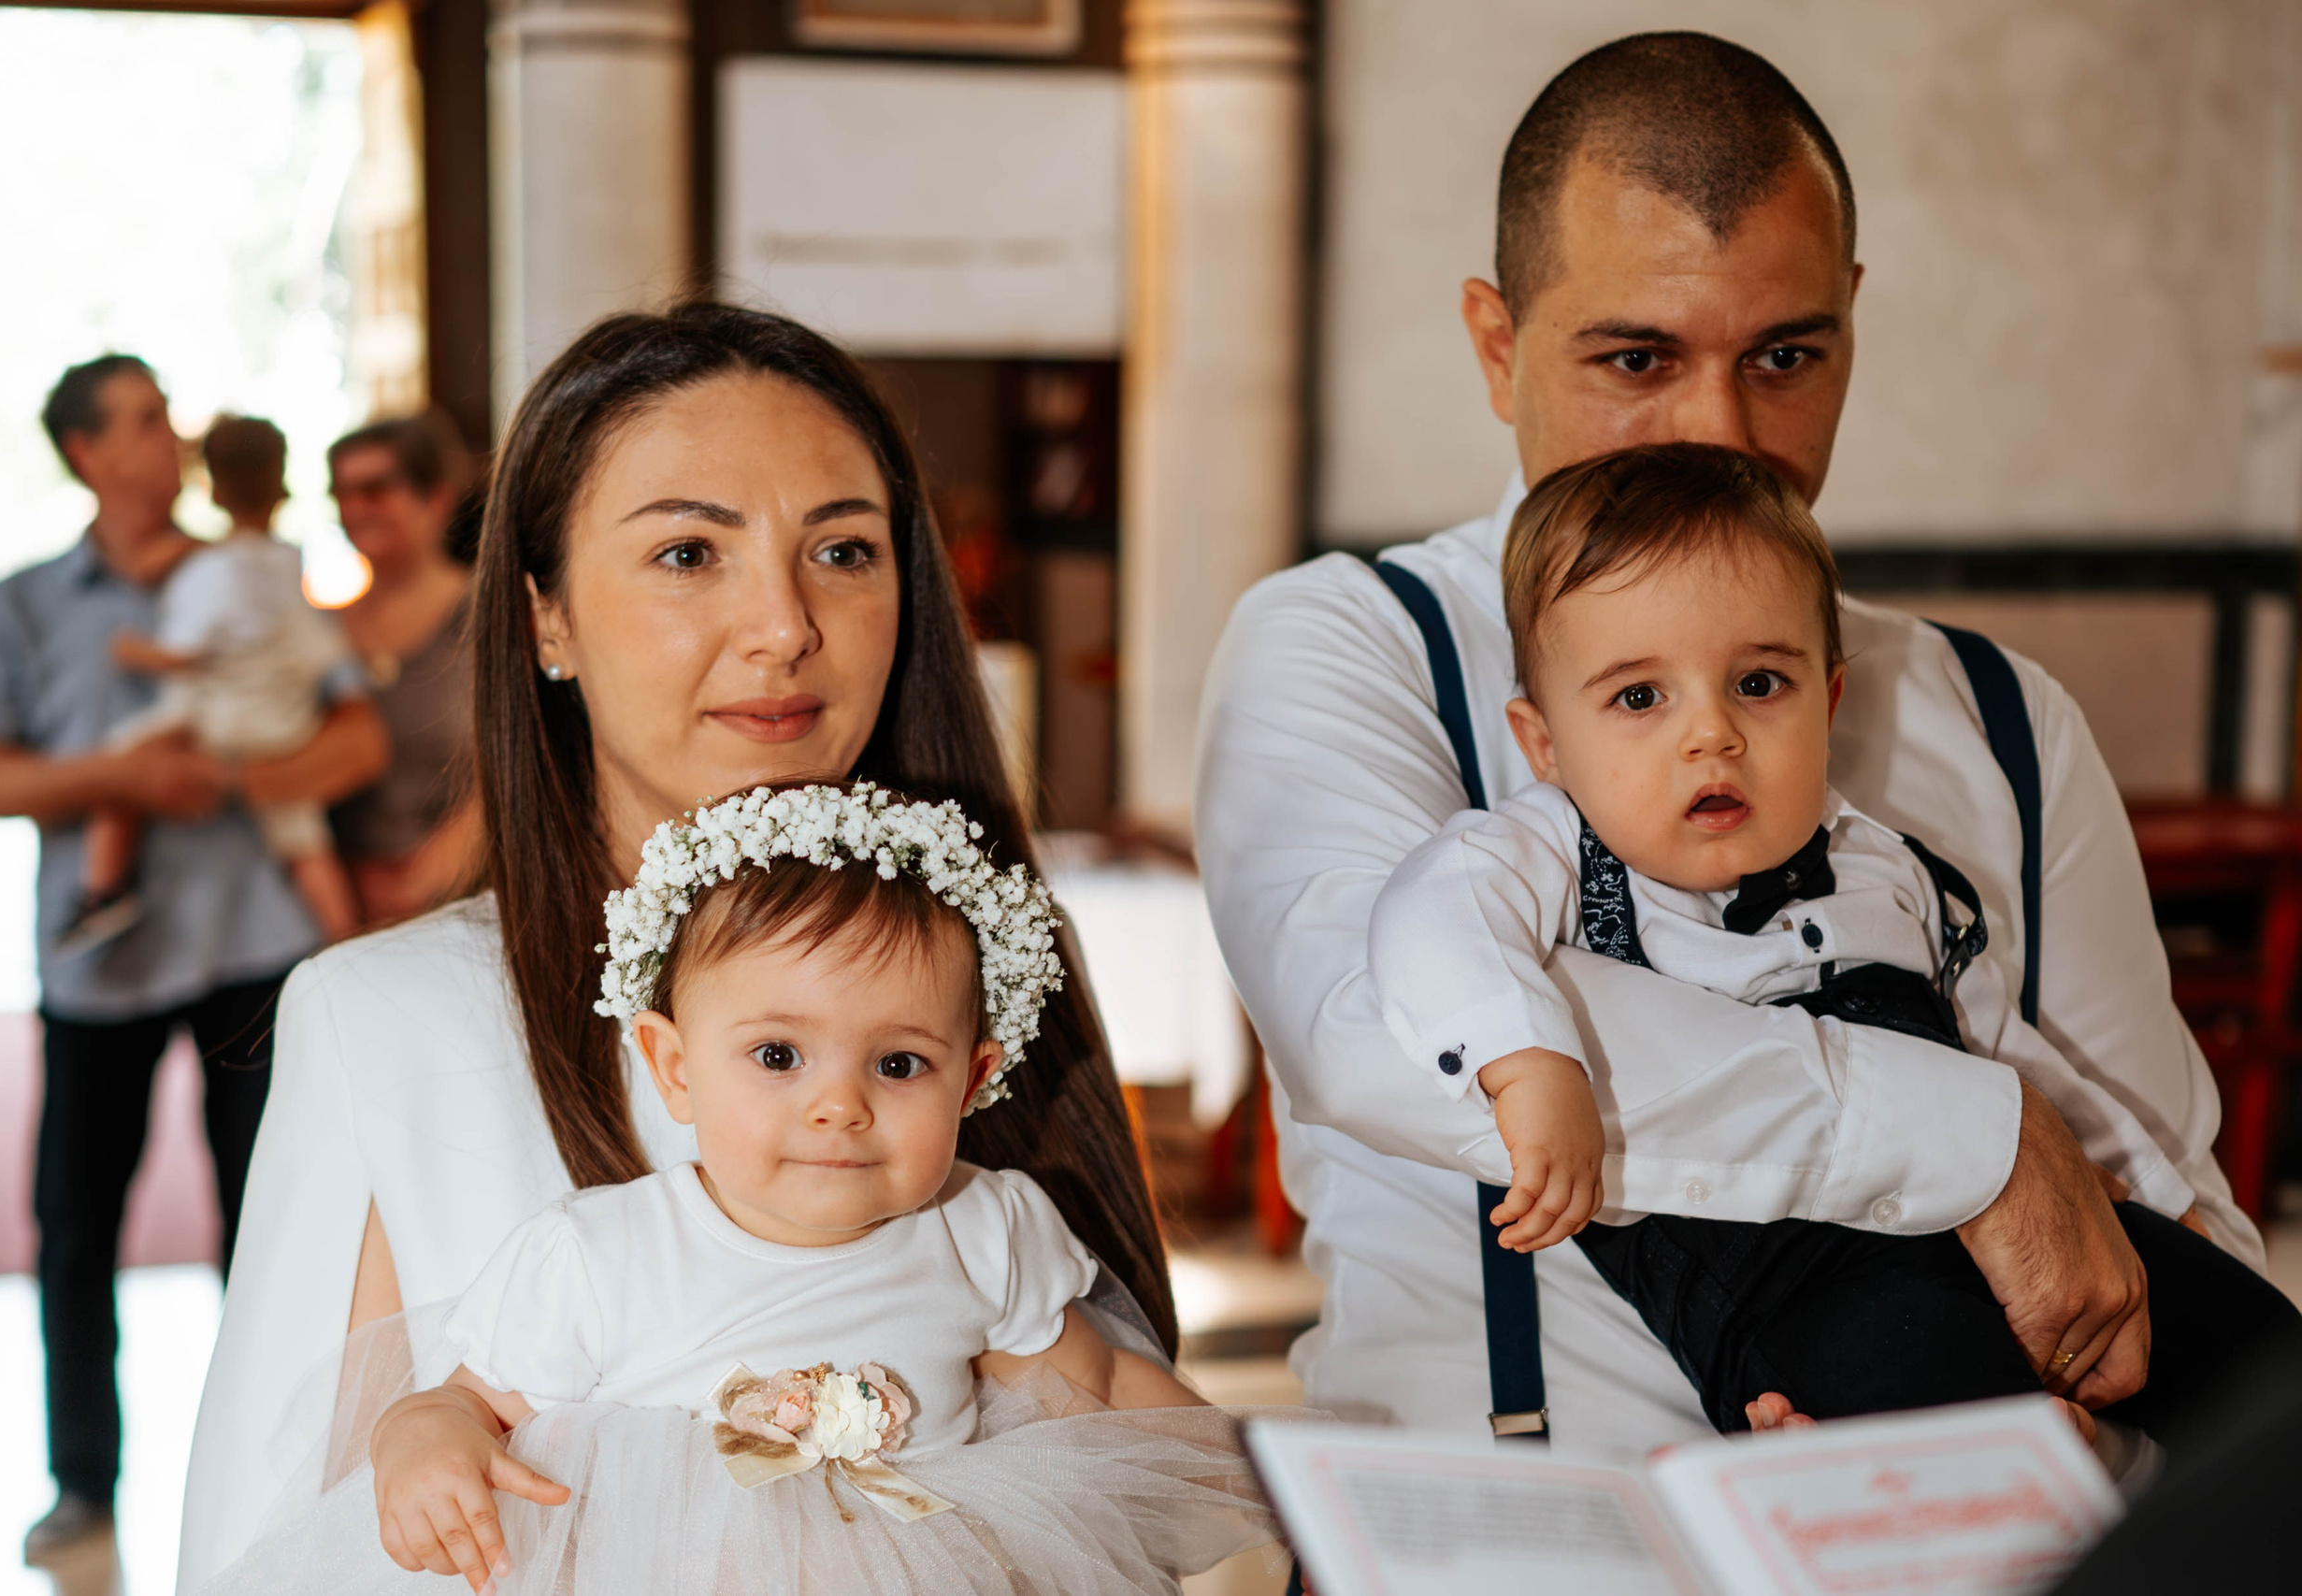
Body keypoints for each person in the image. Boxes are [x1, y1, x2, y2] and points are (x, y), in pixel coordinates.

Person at [1194, 32, 2258, 1463]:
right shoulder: (1349, 640)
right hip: (1505, 1544)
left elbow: (2156, 1174)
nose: (1721, 431)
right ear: (1498, 345)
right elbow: (1383, 1034)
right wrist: (1980, 1134)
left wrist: (2088, 1418)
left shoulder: (2002, 717)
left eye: (1786, 356)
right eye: (1637, 356)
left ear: (1853, 326)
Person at [176, 302, 1170, 1590]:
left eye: (845, 550)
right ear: (546, 619)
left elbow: (1124, 1458)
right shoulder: (389, 1018)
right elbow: (269, 1532)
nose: (785, 624)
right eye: (691, 552)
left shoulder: (981, 959)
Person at [1365, 444, 2301, 1446]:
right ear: (1543, 741)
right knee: (1973, 1447)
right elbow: (1427, 920)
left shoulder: (1883, 862)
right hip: (1795, 1282)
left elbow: (2010, 1061)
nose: (1710, 735)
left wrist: (2148, 1196)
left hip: (1984, 1216)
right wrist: (1527, 1066)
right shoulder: (1549, 843)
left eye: (1759, 683)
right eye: (1640, 698)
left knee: (2263, 1362)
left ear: (1830, 700)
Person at [197, 784, 1272, 1596]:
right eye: (776, 1058)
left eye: (898, 1066)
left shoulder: (980, 1229)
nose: (837, 1106)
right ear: (672, 1065)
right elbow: (465, 1397)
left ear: (975, 1079)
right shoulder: (602, 1255)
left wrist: (1261, 1482)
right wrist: (421, 1437)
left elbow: (1104, 1394)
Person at [0, 356, 388, 1560]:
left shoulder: (253, 578)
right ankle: (83, 1485)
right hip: (101, 969)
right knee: (74, 1226)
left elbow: (351, 735)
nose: (172, 440)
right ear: (88, 452)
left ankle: (290, 1478)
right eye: (147, 422)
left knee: (277, 1224)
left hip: (257, 953)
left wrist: (245, 778)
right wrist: (127, 780)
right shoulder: (20, 606)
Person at [73, 414, 360, 948]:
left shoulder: (212, 572)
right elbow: (323, 651)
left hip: (221, 722)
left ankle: (103, 890)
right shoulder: (287, 561)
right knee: (305, 842)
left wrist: (134, 653)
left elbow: (183, 653)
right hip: (287, 725)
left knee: (120, 762)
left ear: (213, 486)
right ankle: (346, 941)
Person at [325, 413, 480, 925]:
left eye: (374, 489)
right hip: (340, 907)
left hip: (462, 897)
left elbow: (530, 762)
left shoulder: (489, 616)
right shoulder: (320, 628)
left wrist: (432, 872)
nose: (355, 509)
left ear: (436, 498)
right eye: (342, 493)